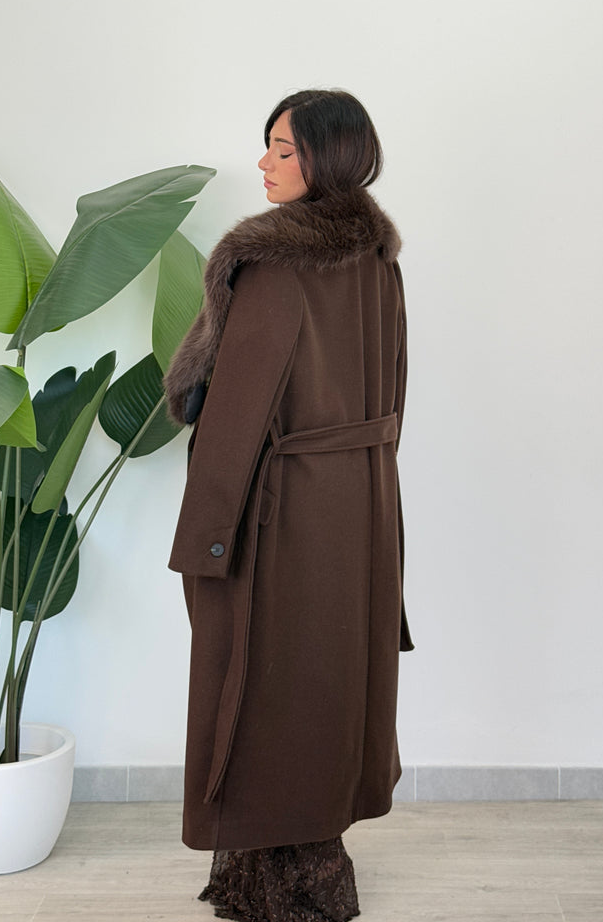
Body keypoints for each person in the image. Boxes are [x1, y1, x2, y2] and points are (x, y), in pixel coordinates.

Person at [164, 89, 413, 922]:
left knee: (264, 688)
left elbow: (234, 416)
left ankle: (284, 882)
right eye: (267, 146)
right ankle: (295, 869)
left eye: (284, 149)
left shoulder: (274, 266)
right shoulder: (378, 261)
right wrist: (371, 488)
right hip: (364, 509)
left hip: (282, 519)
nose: (265, 164)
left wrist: (205, 540)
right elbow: (394, 395)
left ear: (328, 156)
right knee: (330, 683)